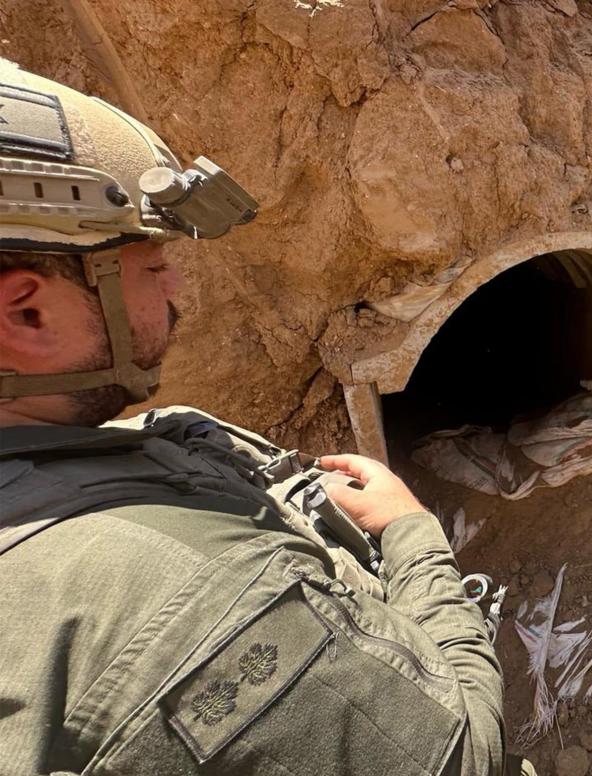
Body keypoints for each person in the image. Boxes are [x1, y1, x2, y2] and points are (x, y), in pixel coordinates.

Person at [0, 59, 517, 775]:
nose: (175, 284)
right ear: (27, 312)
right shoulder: (188, 598)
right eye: (150, 268)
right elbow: (465, 757)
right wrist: (412, 535)